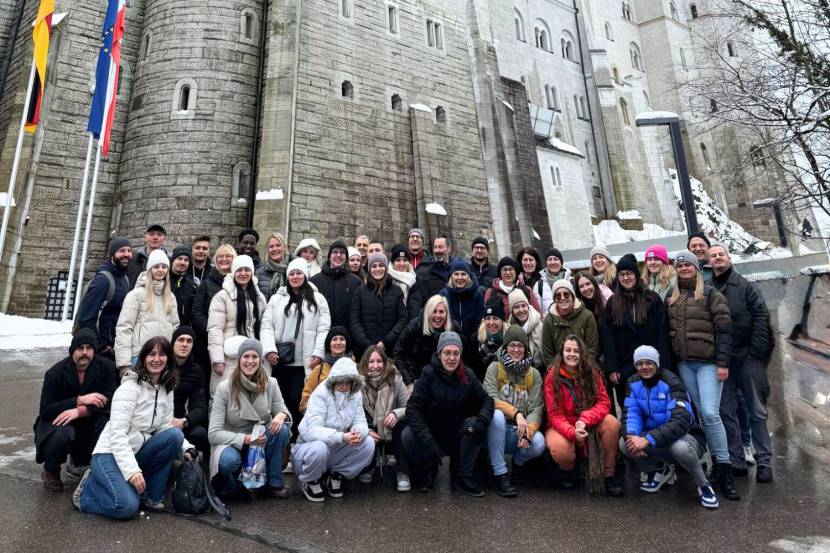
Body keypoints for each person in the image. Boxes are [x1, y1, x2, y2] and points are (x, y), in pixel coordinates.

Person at [74, 337, 196, 519]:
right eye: (152, 354)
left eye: (162, 354)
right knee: (126, 507)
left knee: (174, 436)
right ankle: (86, 492)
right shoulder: (129, 389)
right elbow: (117, 436)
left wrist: (186, 448)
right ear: (143, 358)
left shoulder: (166, 388)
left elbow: (165, 426)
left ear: (168, 359)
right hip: (109, 454)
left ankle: (151, 497)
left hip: (136, 451)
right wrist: (132, 472)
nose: (157, 359)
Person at [667, 250, 739, 500]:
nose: (684, 268)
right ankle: (715, 465)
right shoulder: (671, 296)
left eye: (688, 265)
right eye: (680, 265)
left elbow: (724, 329)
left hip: (708, 363)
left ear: (696, 268)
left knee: (710, 413)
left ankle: (725, 468)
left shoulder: (710, 293)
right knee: (700, 414)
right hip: (685, 365)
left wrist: (723, 363)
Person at [620, 345, 720, 509]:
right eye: (639, 363)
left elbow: (680, 421)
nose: (644, 367)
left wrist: (647, 439)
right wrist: (632, 436)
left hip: (686, 437)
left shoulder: (672, 382)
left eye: (649, 362)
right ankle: (661, 469)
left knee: (680, 448)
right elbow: (631, 414)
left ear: (657, 363)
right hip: (656, 439)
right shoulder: (633, 382)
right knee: (625, 443)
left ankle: (704, 485)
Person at [709, 242, 774, 482]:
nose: (717, 258)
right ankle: (736, 460)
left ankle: (764, 460)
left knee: (756, 410)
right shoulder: (707, 288)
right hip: (722, 360)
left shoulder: (745, 286)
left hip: (747, 356)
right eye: (713, 256)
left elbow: (760, 316)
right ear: (709, 262)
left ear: (729, 258)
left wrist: (756, 352)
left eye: (720, 255)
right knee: (726, 411)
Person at [402, 332, 494, 496]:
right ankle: (428, 469)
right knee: (408, 434)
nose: (451, 358)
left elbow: (487, 400)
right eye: (447, 353)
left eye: (456, 353)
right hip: (431, 435)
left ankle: (462, 475)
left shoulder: (468, 375)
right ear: (439, 354)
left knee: (475, 424)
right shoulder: (427, 374)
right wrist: (428, 442)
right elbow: (412, 409)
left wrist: (482, 420)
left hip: (457, 434)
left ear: (460, 354)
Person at [208, 338, 292, 499]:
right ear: (239, 360)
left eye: (254, 357)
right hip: (234, 442)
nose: (250, 361)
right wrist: (246, 439)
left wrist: (282, 414)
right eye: (246, 357)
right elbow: (213, 434)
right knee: (228, 461)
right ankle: (232, 484)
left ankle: (273, 483)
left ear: (260, 360)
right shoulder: (224, 388)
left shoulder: (271, 383)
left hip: (260, 442)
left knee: (281, 429)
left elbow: (283, 411)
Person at [35, 329, 116, 492]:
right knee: (61, 434)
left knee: (107, 424)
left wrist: (80, 411)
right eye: (80, 348)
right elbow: (46, 411)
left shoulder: (106, 367)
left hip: (90, 419)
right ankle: (51, 469)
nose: (84, 353)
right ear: (73, 350)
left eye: (89, 348)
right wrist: (78, 400)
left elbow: (111, 400)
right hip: (60, 422)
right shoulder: (55, 373)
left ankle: (91, 467)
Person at [544, 335, 623, 496]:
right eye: (568, 350)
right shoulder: (552, 376)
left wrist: (584, 420)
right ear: (562, 352)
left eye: (576, 351)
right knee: (561, 450)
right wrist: (572, 432)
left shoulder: (592, 372)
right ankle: (569, 470)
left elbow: (604, 403)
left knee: (612, 423)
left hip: (587, 422)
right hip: (562, 425)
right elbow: (554, 415)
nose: (572, 354)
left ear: (582, 354)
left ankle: (608, 475)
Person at [262, 258, 331, 437]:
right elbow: (267, 325)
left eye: (299, 273)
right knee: (281, 400)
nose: (295, 277)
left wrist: (318, 352)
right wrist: (269, 349)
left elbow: (324, 328)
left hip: (305, 361)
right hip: (280, 360)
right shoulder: (277, 299)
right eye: (291, 273)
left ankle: (299, 438)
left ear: (305, 276)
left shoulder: (318, 299)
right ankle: (283, 439)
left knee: (300, 399)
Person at [291, 357, 375, 502]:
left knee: (368, 443)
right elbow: (313, 431)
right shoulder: (320, 395)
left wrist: (357, 432)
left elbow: (360, 420)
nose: (344, 385)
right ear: (333, 380)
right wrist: (342, 436)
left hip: (335, 447)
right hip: (307, 448)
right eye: (340, 381)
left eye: (348, 381)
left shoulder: (355, 394)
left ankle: (337, 474)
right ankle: (310, 480)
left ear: (353, 382)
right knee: (319, 448)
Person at [601, 253, 672, 413]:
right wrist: (612, 368)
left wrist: (665, 365)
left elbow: (663, 334)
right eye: (622, 274)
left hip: (651, 364)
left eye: (629, 273)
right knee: (630, 410)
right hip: (625, 365)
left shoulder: (652, 299)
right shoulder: (613, 303)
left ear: (636, 275)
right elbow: (608, 337)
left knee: (655, 408)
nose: (626, 278)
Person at [484, 326, 545, 497]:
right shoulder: (495, 368)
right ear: (505, 348)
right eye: (512, 346)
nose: (516, 350)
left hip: (518, 431)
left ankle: (518, 464)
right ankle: (500, 473)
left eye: (520, 346)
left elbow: (536, 408)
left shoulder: (533, 374)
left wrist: (529, 431)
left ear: (525, 349)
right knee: (496, 416)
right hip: (494, 430)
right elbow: (491, 399)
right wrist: (517, 414)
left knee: (539, 442)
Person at [207, 254, 267, 396]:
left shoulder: (259, 297)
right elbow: (215, 329)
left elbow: (264, 327)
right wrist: (217, 360)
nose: (243, 273)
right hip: (228, 357)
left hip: (252, 356)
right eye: (239, 270)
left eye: (247, 270)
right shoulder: (222, 297)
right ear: (233, 272)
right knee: (225, 396)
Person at [115, 249, 180, 374]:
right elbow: (124, 328)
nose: (160, 270)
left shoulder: (170, 297)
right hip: (138, 356)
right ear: (150, 269)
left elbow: (174, 326)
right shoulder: (136, 295)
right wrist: (123, 363)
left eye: (164, 267)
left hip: (162, 357)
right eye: (156, 267)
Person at [356, 346, 411, 491]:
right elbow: (355, 413)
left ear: (385, 363)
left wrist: (396, 414)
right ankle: (369, 466)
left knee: (403, 429)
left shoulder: (396, 378)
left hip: (391, 425)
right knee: (364, 429)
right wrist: (365, 429)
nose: (375, 366)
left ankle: (403, 472)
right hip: (370, 423)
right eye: (371, 361)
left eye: (379, 361)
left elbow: (409, 407)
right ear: (365, 363)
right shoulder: (358, 383)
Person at [75, 236, 132, 360]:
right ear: (112, 254)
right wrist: (100, 345)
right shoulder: (103, 280)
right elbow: (86, 318)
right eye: (122, 251)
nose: (126, 254)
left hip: (114, 346)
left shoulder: (124, 279)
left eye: (129, 250)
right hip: (102, 350)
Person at [191, 245, 237, 390]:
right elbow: (197, 312)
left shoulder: (241, 282)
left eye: (228, 256)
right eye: (220, 256)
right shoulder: (207, 283)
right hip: (208, 343)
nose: (224, 259)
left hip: (234, 342)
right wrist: (213, 330)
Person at [350, 252, 408, 359]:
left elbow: (403, 319)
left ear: (386, 268)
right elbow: (354, 321)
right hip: (365, 351)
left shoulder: (396, 291)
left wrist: (385, 343)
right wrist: (368, 346)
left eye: (381, 265)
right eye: (374, 266)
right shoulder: (360, 292)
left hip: (389, 350)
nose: (378, 269)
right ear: (369, 268)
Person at [394, 295, 456, 388]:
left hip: (444, 380)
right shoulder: (415, 326)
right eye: (434, 311)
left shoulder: (453, 328)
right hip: (416, 378)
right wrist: (409, 382)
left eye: (441, 312)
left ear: (447, 314)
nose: (438, 315)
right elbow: (397, 353)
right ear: (428, 312)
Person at [170, 326, 209, 461]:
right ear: (173, 343)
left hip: (180, 420)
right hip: (157, 419)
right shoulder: (162, 364)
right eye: (181, 340)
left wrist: (185, 421)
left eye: (189, 341)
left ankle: (188, 464)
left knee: (200, 434)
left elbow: (200, 406)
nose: (185, 344)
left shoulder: (196, 371)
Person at [541, 279, 599, 367]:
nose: (562, 298)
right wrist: (561, 373)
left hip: (584, 369)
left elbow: (592, 350)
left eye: (566, 294)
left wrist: (581, 371)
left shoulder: (587, 316)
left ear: (572, 296)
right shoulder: (549, 320)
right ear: (554, 299)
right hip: (559, 372)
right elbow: (548, 355)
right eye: (558, 295)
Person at [300, 326, 353, 414]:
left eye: (342, 339)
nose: (338, 342)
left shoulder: (354, 368)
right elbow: (305, 401)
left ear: (346, 343)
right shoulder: (318, 370)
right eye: (335, 339)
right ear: (329, 344)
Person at [310, 240, 361, 329]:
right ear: (329, 257)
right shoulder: (315, 281)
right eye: (335, 252)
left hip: (347, 336)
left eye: (342, 252)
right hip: (322, 334)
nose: (338, 255)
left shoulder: (355, 282)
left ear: (346, 258)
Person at [440, 258, 485, 343]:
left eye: (463, 274)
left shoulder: (477, 294)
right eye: (456, 274)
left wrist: (473, 337)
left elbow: (479, 318)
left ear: (468, 276)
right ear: (451, 276)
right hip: (450, 340)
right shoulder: (444, 294)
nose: (460, 278)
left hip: (473, 341)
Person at [407, 236, 453, 316]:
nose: (437, 250)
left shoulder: (457, 269)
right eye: (435, 247)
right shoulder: (423, 270)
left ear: (449, 249)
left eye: (440, 247)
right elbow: (415, 300)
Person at [507, 289, 544, 367]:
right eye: (516, 307)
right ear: (512, 311)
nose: (521, 310)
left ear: (528, 307)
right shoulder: (509, 329)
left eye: (523, 306)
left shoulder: (540, 326)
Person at [476, 301, 509, 379]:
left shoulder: (510, 340)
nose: (491, 322)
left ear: (502, 321)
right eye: (488, 318)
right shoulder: (475, 340)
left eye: (495, 318)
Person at [127, 224, 168, 289]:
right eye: (151, 234)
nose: (155, 237)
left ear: (164, 238)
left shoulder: (170, 262)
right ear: (145, 237)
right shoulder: (133, 261)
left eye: (159, 234)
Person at [255, 232, 292, 300]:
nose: (275, 249)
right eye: (271, 246)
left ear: (284, 247)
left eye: (278, 245)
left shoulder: (292, 270)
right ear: (268, 250)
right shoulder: (259, 272)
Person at [536, 248, 571, 313]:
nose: (553, 262)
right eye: (549, 259)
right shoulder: (539, 285)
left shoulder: (571, 281)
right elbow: (538, 311)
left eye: (556, 259)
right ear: (546, 263)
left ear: (561, 262)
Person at [170, 245, 196, 326]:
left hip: (184, 331)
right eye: (179, 258)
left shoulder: (192, 285)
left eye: (186, 260)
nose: (182, 262)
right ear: (172, 261)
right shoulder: (163, 281)